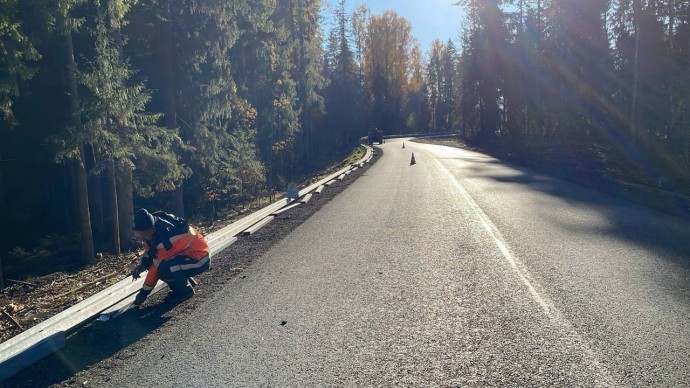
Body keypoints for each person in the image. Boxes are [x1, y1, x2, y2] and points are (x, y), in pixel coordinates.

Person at [130, 208, 210, 305]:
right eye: (138, 237)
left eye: (143, 236)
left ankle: (185, 292)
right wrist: (144, 264)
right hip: (186, 254)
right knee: (167, 265)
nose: (141, 239)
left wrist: (143, 293)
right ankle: (184, 281)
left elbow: (156, 267)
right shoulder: (153, 227)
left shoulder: (166, 239)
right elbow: (150, 249)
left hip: (199, 259)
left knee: (164, 268)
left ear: (151, 229)